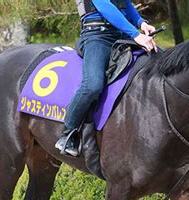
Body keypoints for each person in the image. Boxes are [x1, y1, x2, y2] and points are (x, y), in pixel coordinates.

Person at [55, 0, 157, 156]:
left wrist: (141, 23)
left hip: (122, 35)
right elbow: (105, 6)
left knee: (162, 65)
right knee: (92, 86)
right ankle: (69, 133)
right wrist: (136, 34)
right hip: (98, 36)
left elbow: (125, 3)